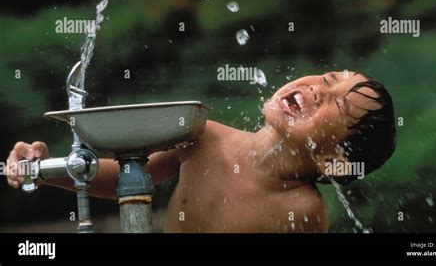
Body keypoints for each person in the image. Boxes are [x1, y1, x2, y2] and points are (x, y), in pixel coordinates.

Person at [6, 71, 396, 233]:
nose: (317, 89)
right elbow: (126, 180)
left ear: (334, 160)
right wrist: (44, 169)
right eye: (328, 78)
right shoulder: (201, 135)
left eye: (336, 104)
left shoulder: (302, 209)